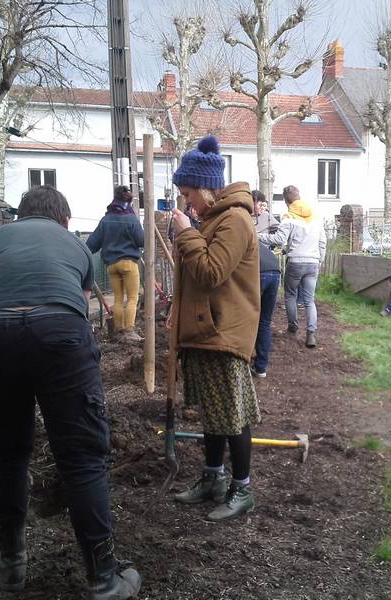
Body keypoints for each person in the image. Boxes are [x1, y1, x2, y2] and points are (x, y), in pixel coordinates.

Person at [0, 185, 140, 599]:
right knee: (81, 458)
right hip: (59, 330)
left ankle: (11, 564)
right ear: (63, 220)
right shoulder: (72, 243)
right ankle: (103, 578)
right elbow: (78, 306)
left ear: (19, 217)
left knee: (6, 452)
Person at [169, 135, 261, 522]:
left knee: (233, 415)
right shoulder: (213, 219)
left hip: (225, 334)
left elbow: (210, 273)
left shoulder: (235, 220)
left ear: (207, 188)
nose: (186, 202)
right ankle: (213, 479)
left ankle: (242, 489)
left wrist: (185, 232)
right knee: (214, 412)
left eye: (188, 193)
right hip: (207, 332)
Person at [259, 185, 326, 349]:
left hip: (296, 262)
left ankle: (293, 327)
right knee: (310, 300)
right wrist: (320, 261)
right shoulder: (316, 216)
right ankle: (311, 334)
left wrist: (257, 235)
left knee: (290, 295)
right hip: (313, 262)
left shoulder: (289, 217)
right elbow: (322, 242)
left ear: (285, 200)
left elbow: (279, 239)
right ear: (299, 196)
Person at [87, 186, 145, 341]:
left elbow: (92, 244)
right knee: (132, 298)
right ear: (129, 201)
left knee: (118, 299)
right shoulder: (131, 218)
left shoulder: (106, 219)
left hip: (111, 265)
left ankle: (118, 330)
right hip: (128, 264)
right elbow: (141, 240)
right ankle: (129, 331)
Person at [251, 239, 281, 378]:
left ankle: (243, 360)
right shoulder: (255, 240)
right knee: (264, 322)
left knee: (246, 318)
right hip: (275, 271)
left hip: (259, 272)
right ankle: (261, 368)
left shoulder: (237, 236)